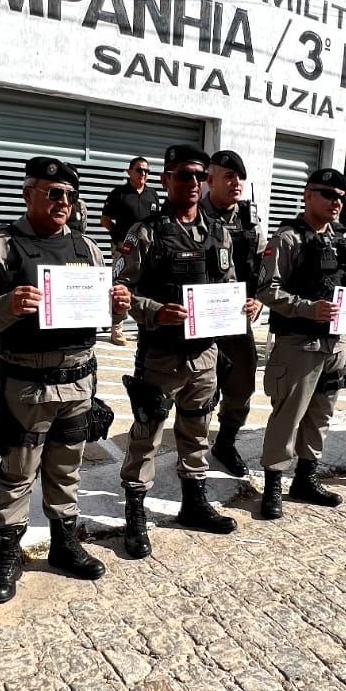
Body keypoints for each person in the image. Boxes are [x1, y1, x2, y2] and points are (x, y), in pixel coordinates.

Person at [0, 157, 131, 602]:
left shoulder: (87, 248)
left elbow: (104, 311)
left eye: (71, 196)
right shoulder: (0, 246)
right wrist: (8, 304)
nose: (64, 203)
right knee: (18, 471)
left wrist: (117, 307)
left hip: (78, 379)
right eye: (54, 193)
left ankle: (64, 543)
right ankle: (9, 552)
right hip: (26, 382)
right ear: (28, 192)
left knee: (66, 465)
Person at [115, 145, 242, 556]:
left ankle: (194, 503)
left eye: (198, 176)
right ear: (166, 180)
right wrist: (154, 311)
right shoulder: (145, 233)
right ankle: (135, 512)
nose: (191, 183)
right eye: (182, 175)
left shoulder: (219, 232)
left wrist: (244, 306)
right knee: (147, 433)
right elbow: (118, 292)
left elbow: (228, 288)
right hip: (161, 354)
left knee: (196, 428)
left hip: (204, 354)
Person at [256, 169, 346, 518]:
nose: (335, 202)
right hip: (298, 344)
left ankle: (306, 479)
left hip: (336, 345)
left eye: (340, 196)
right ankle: (273, 485)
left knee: (321, 415)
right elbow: (266, 289)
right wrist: (310, 309)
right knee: (288, 417)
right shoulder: (287, 239)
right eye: (327, 194)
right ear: (307, 195)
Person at [200, 150, 264, 476]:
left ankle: (225, 442)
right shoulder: (191, 215)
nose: (236, 183)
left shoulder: (250, 221)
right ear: (210, 181)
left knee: (241, 381)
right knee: (198, 386)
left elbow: (260, 269)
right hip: (199, 318)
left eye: (239, 177)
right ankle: (192, 450)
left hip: (236, 317)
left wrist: (258, 300)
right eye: (228, 176)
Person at [101, 156, 159, 345]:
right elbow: (105, 220)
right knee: (121, 287)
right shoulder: (119, 194)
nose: (143, 174)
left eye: (147, 171)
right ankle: (116, 328)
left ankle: (144, 326)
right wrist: (119, 238)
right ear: (129, 172)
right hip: (124, 249)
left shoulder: (153, 195)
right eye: (139, 170)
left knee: (146, 286)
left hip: (147, 250)